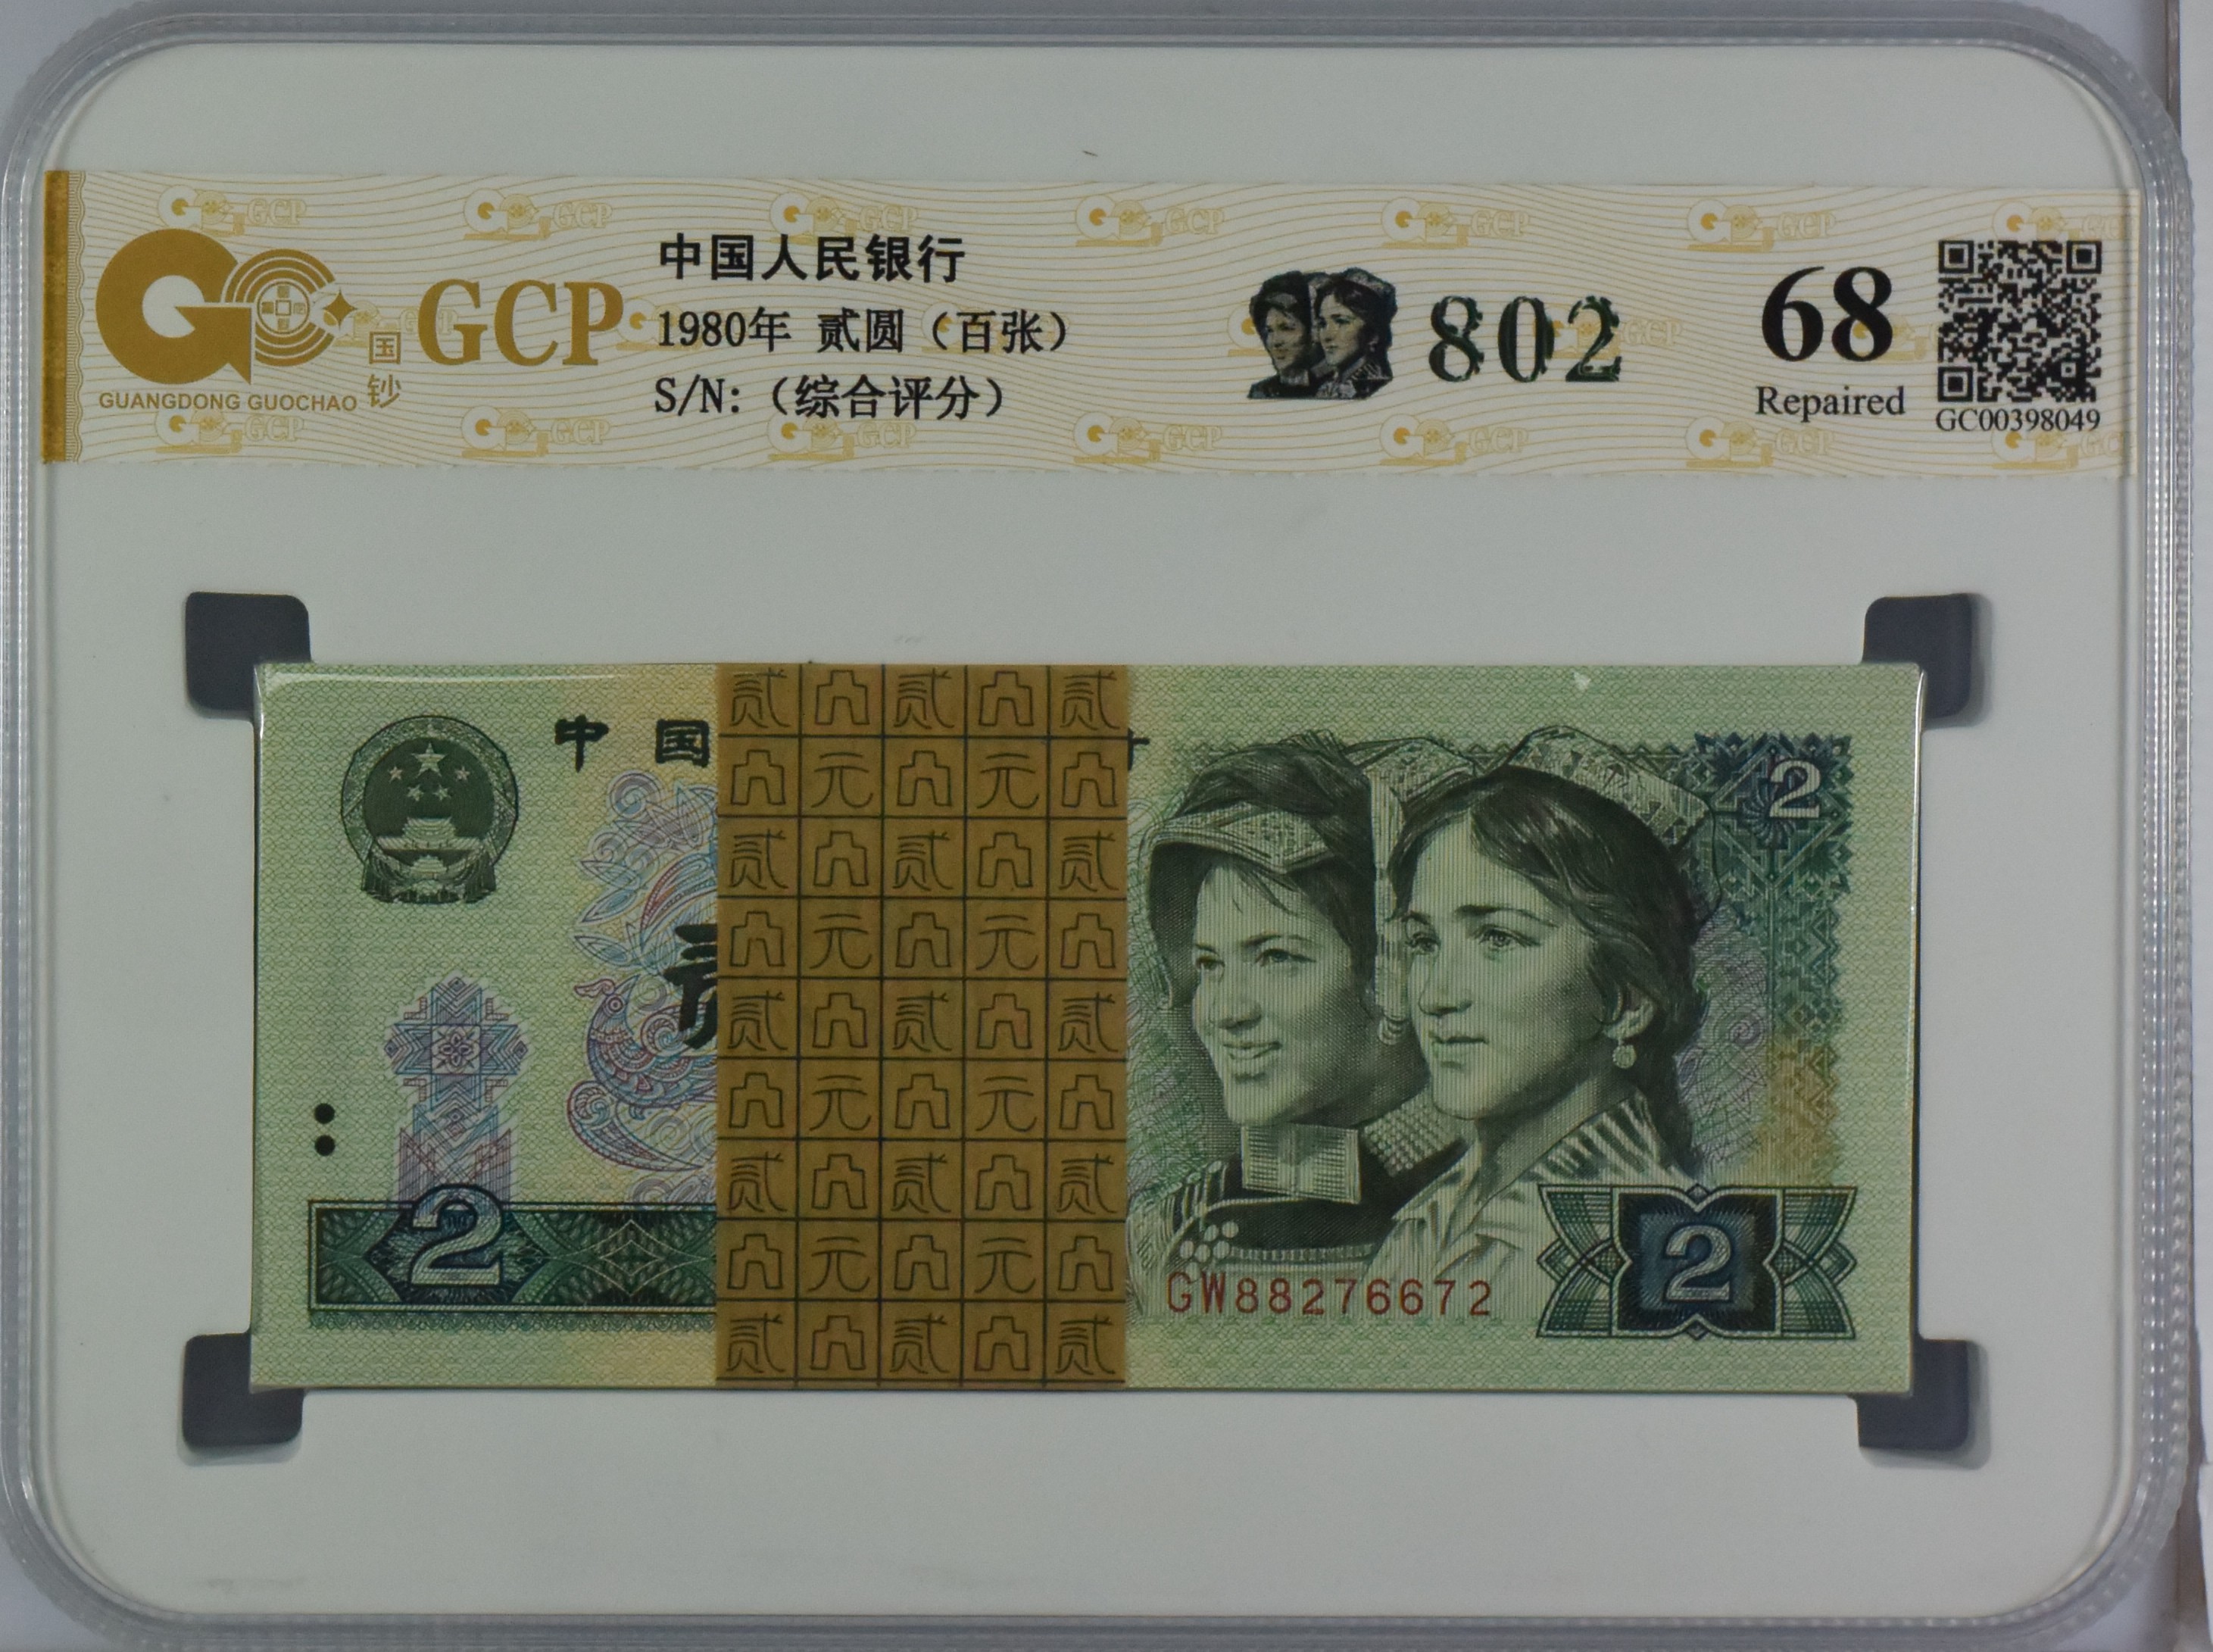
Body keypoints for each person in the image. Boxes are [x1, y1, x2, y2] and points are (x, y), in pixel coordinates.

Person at [1362, 727, 1709, 1321]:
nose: (1437, 995)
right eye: (1424, 942)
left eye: (1497, 937)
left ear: (1626, 1000)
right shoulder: (1428, 1219)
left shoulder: (1640, 1249)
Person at [1130, 735, 1460, 1293]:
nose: (1226, 1012)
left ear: (1393, 969)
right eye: (1210, 964)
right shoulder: (1167, 1236)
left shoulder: (1501, 1212)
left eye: (1276, 957)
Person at [1309, 268, 1397, 400]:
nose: (1327, 336)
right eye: (1322, 324)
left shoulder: (1376, 388)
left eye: (1341, 322)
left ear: (1373, 334)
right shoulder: (1330, 386)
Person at [1246, 272, 1321, 398]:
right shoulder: (1261, 392)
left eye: (1286, 329)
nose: (1275, 342)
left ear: (1313, 331)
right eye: (1269, 330)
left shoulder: (1338, 389)